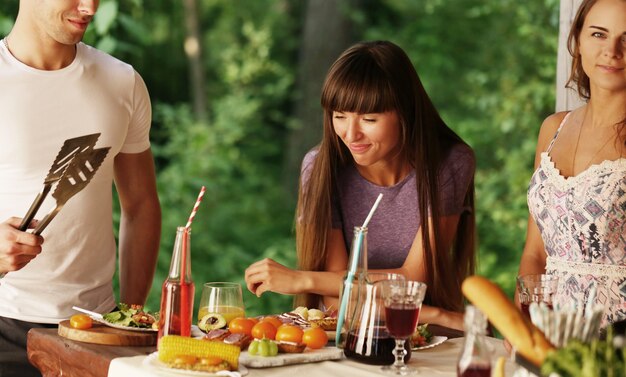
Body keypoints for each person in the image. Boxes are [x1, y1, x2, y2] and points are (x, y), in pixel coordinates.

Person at [245, 40, 476, 331]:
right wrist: (440, 315)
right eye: (339, 116)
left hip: (424, 338)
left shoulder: (448, 163)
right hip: (347, 334)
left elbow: (413, 281)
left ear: (405, 113)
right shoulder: (320, 169)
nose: (350, 134)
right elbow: (336, 301)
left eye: (369, 119)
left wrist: (302, 279)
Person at [0, 1, 161, 376]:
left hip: (95, 331)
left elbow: (140, 205)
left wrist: (129, 316)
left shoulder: (121, 81)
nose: (89, 6)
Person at [519, 0, 626, 326]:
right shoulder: (553, 128)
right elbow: (535, 253)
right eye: (598, 34)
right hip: (547, 336)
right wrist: (524, 327)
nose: (612, 50)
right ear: (577, 41)